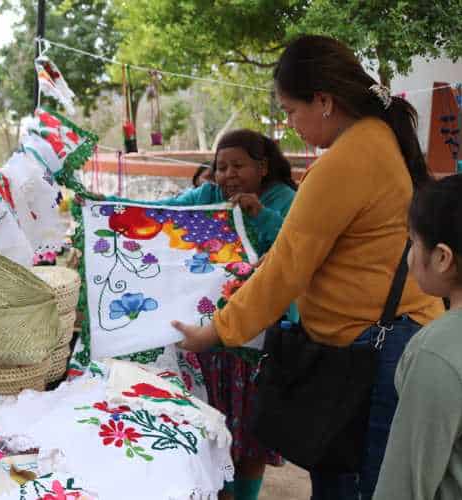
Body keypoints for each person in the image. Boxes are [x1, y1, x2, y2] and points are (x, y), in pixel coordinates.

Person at [172, 35, 444, 500]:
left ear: (323, 101)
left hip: (372, 352)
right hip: (386, 339)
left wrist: (217, 331)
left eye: (291, 110)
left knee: (352, 485)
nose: (289, 124)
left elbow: (287, 266)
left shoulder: (349, 158)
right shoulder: (377, 139)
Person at [94, 129, 297, 500]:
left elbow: (295, 250)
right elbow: (164, 212)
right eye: (221, 167)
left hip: (257, 341)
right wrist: (106, 205)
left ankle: (244, 496)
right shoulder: (208, 196)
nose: (229, 175)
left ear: (263, 167)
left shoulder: (285, 200)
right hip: (208, 337)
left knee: (249, 435)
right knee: (208, 422)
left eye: (238, 165)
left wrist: (262, 216)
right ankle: (220, 493)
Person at [373, 175, 462, 500]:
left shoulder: (436, 353)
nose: (409, 255)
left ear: (442, 257)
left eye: (412, 241)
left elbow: (403, 485)